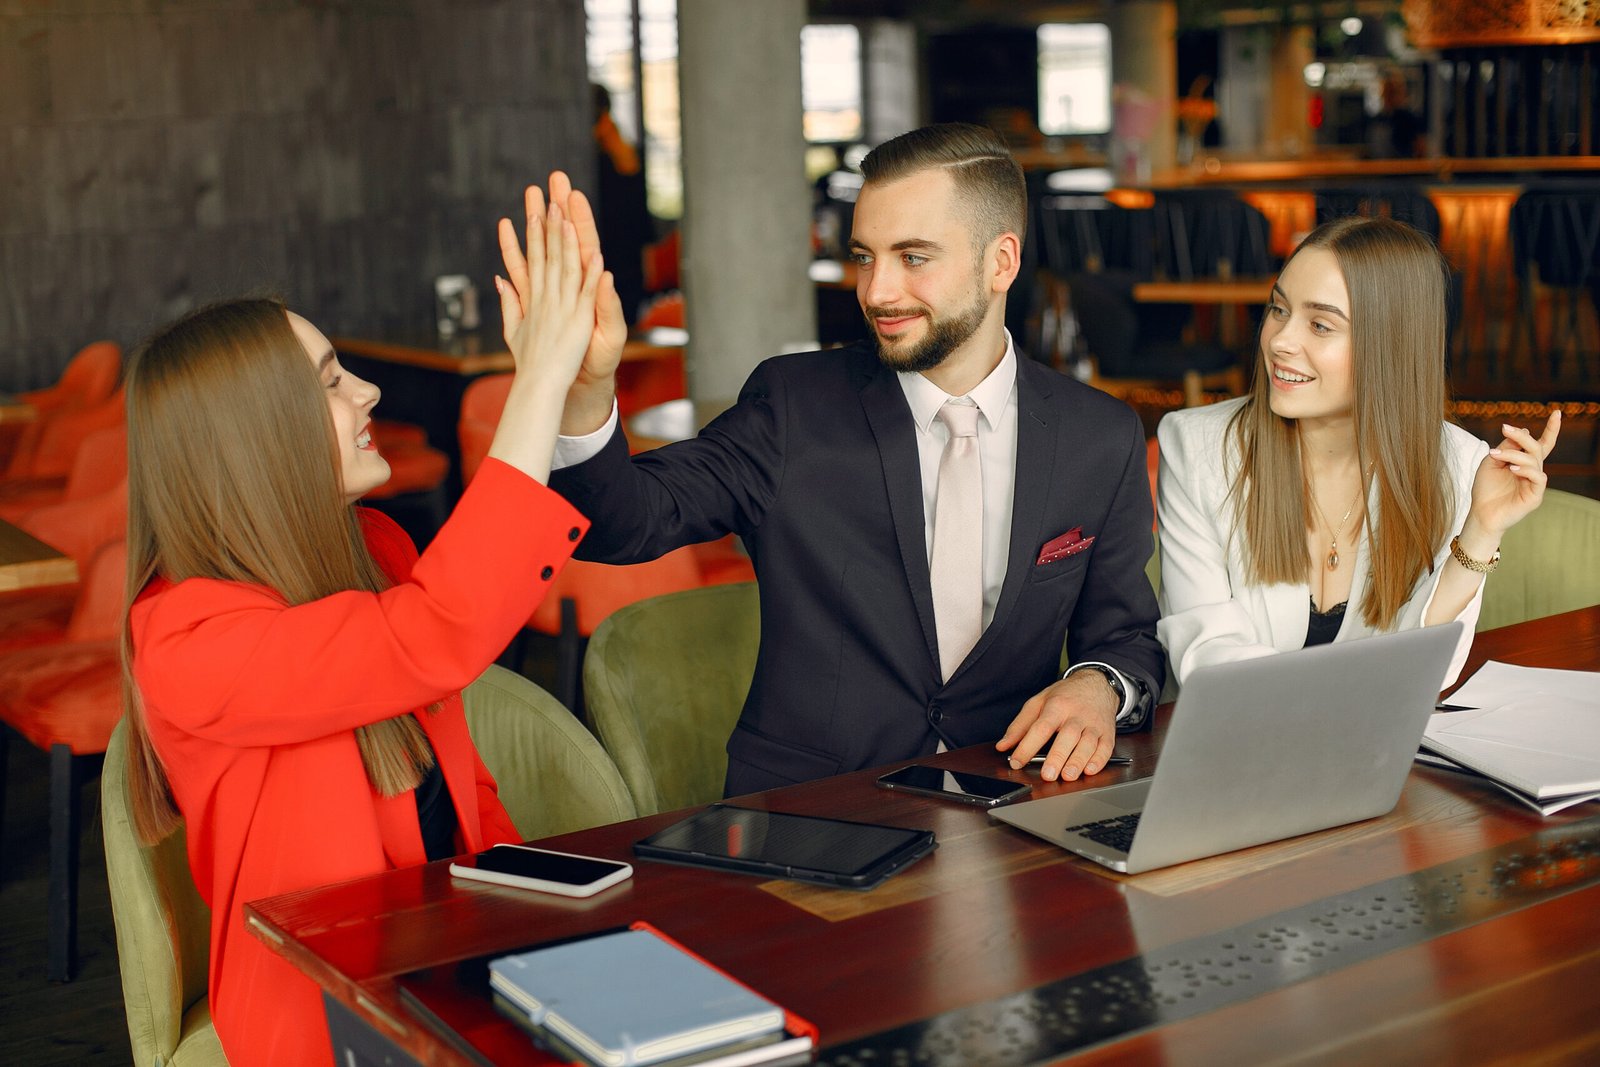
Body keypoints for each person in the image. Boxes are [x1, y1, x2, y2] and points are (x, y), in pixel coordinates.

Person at [517, 123, 1165, 792]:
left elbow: (1126, 639)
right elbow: (623, 523)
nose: (877, 291)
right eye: (864, 256)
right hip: (817, 811)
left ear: (1001, 262)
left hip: (1011, 799)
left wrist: (1098, 685)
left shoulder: (1099, 435)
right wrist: (583, 396)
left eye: (913, 257)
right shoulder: (792, 406)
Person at [121, 181, 607, 1067]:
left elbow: (463, 794)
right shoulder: (187, 640)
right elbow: (436, 631)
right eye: (332, 382)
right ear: (254, 437)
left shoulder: (376, 548)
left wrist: (544, 928)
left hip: (453, 960)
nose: (370, 390)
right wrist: (534, 379)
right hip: (324, 1014)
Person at [1156, 216, 1560, 688]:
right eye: (1279, 309)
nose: (1280, 340)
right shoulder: (1197, 448)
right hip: (1238, 732)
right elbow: (1207, 659)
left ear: (1389, 344)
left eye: (1320, 325)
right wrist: (1358, 692)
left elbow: (1428, 673)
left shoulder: (1458, 463)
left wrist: (1482, 530)